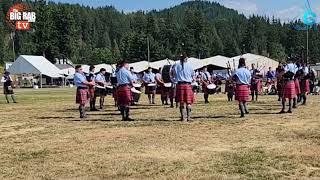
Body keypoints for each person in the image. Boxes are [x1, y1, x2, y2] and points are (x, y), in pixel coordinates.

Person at [172, 53, 195, 122]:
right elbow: (193, 76)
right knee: (188, 102)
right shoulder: (190, 66)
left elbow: (172, 74)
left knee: (181, 103)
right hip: (188, 85)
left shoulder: (176, 66)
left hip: (180, 85)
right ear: (186, 58)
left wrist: (175, 79)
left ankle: (183, 118)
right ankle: (188, 117)